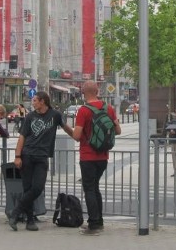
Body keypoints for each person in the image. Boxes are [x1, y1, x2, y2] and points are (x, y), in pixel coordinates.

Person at [9, 91, 73, 231]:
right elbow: (22, 137)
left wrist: (78, 136)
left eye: (35, 100)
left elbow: (66, 128)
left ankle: (15, 212)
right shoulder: (30, 116)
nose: (33, 103)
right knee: (27, 189)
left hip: (42, 156)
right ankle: (30, 221)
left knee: (37, 188)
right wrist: (17, 156)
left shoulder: (55, 115)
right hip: (27, 155)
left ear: (43, 101)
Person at [71, 81, 121, 234]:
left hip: (88, 156)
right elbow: (118, 130)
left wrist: (67, 128)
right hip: (103, 157)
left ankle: (93, 224)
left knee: (89, 189)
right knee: (95, 188)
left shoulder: (83, 111)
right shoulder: (109, 108)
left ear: (84, 92)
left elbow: (77, 135)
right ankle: (99, 221)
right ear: (97, 91)